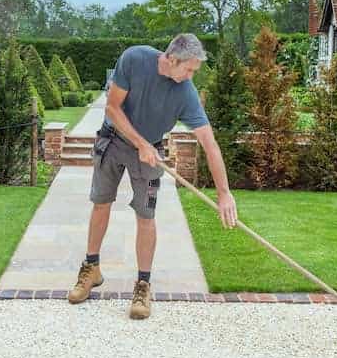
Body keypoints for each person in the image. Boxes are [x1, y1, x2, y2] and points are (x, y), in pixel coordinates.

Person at [67, 34, 238, 319]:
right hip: (113, 140)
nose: (191, 76)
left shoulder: (186, 93)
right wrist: (140, 143)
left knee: (146, 217)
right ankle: (91, 268)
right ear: (172, 59)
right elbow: (112, 108)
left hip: (150, 153)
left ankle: (143, 285)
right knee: (101, 203)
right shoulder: (135, 59)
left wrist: (223, 192)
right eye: (190, 69)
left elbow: (209, 143)